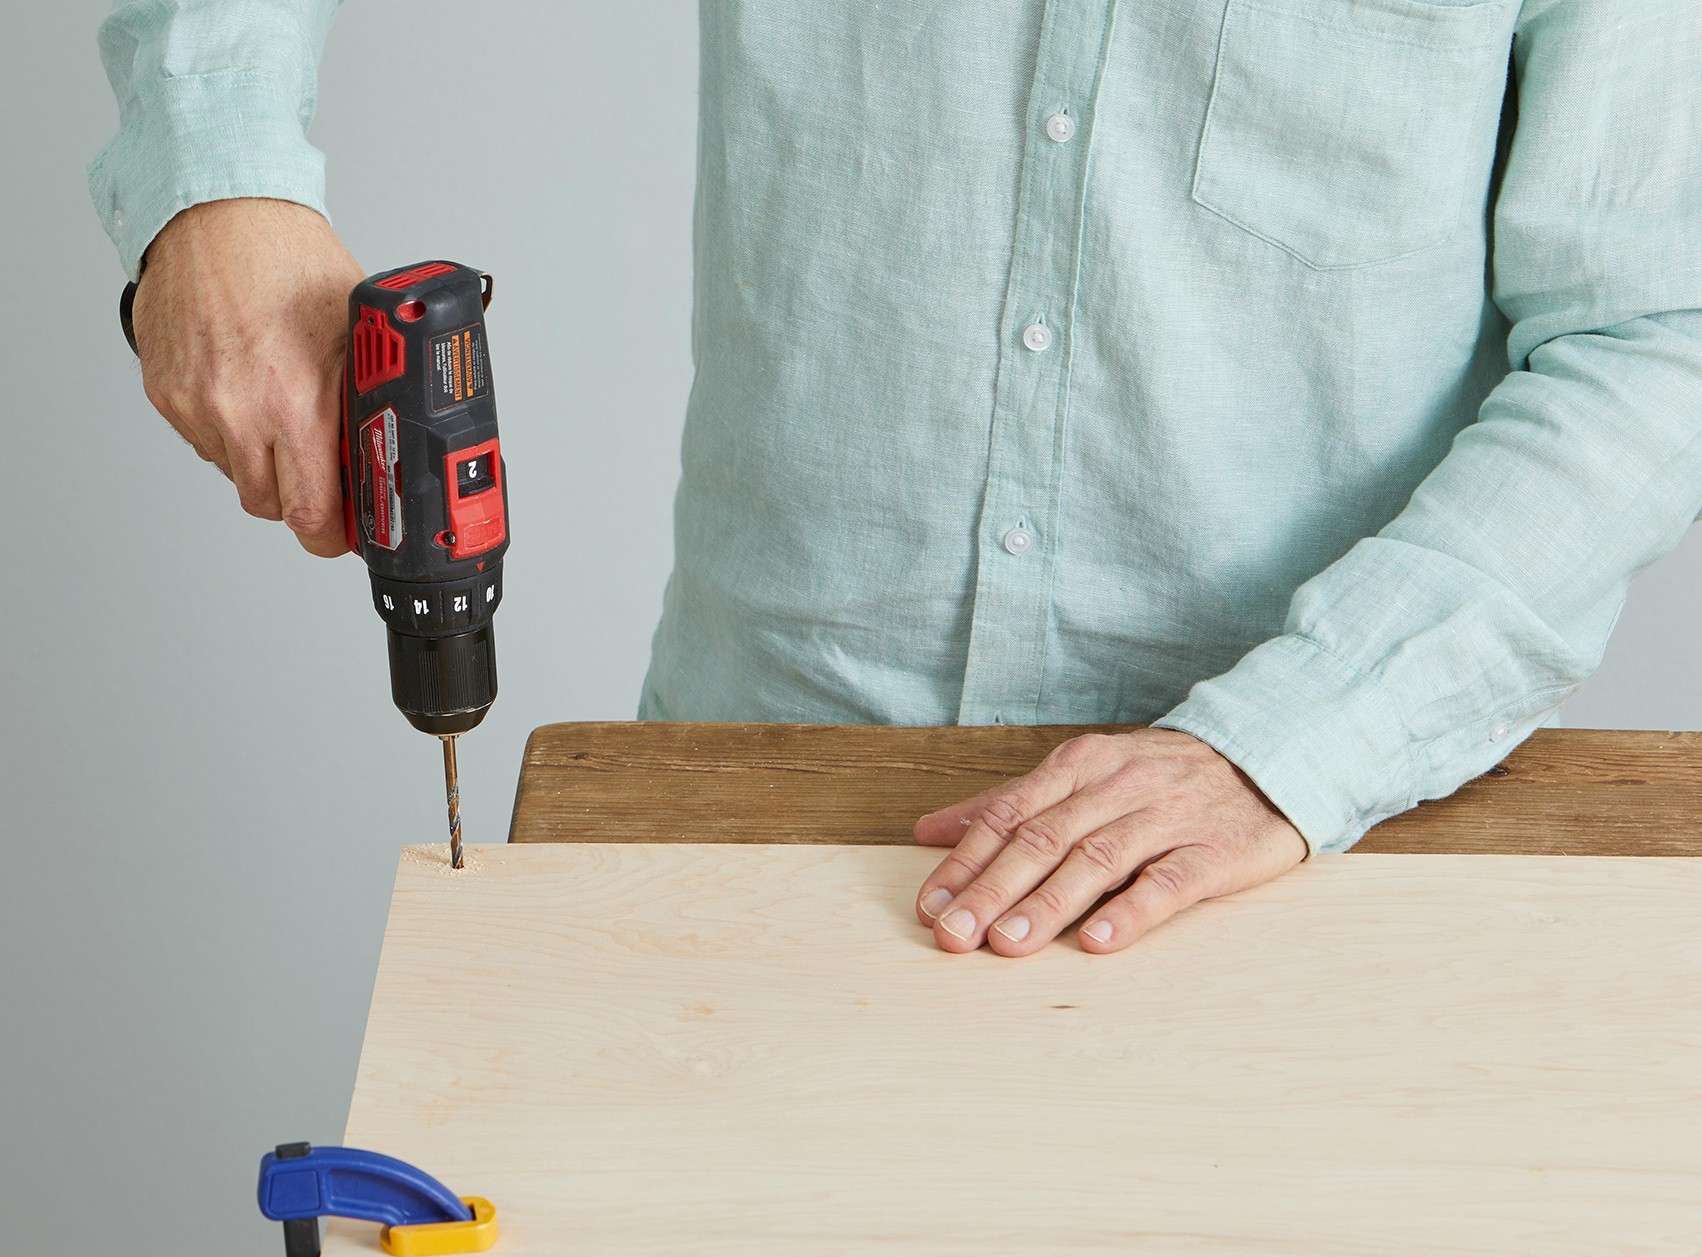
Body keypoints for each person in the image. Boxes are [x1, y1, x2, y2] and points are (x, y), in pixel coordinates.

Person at [92, 2, 1702, 957]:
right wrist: (211, 165)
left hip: (1318, 846)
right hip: (758, 790)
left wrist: (1293, 744)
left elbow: (1658, 331)